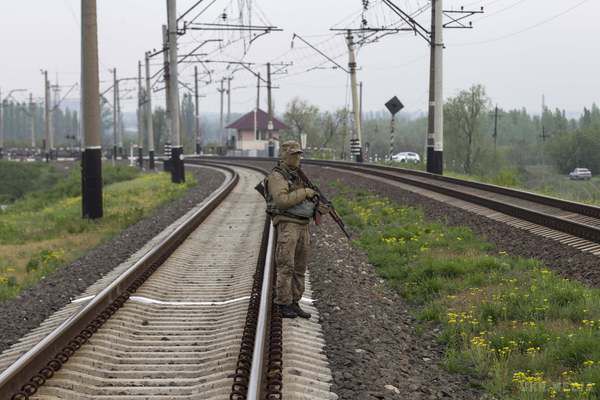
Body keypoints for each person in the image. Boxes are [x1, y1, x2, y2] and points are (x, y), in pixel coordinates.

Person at [265, 140, 328, 319]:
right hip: (288, 225)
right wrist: (305, 193)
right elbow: (282, 201)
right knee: (286, 266)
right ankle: (283, 303)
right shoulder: (278, 176)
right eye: (294, 154)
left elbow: (306, 198)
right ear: (284, 155)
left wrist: (319, 205)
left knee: (300, 267)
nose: (298, 157)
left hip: (303, 225)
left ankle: (294, 302)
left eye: (299, 154)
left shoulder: (298, 175)